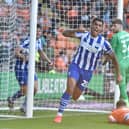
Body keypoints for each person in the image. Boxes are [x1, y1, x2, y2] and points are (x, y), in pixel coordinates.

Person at [53, 17, 122, 123]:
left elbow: (114, 58)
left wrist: (118, 74)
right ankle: (59, 115)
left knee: (75, 97)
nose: (97, 27)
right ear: (91, 25)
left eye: (99, 26)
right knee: (70, 89)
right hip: (76, 66)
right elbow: (65, 33)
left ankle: (82, 89)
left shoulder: (104, 43)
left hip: (88, 72)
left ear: (102, 29)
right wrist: (76, 30)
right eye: (95, 24)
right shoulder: (83, 34)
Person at [7, 24, 53, 113]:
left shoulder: (39, 41)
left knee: (35, 89)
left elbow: (41, 52)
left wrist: (49, 61)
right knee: (26, 90)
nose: (39, 33)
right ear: (32, 31)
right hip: (21, 68)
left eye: (40, 31)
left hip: (30, 68)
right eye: (37, 31)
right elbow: (16, 52)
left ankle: (24, 106)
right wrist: (23, 57)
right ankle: (12, 99)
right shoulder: (27, 40)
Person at [111, 18, 129, 107]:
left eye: (114, 26)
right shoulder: (127, 34)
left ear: (120, 26)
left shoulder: (115, 37)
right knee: (125, 85)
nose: (112, 28)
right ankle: (122, 105)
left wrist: (105, 60)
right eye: (112, 26)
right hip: (128, 61)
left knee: (121, 84)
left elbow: (111, 53)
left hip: (120, 64)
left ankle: (127, 104)